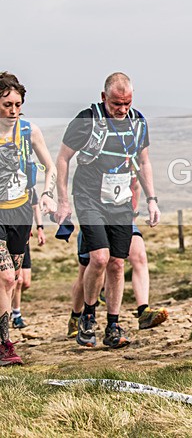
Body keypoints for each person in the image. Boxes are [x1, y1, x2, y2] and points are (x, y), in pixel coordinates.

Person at [55, 72, 160, 349]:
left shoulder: (138, 122)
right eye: (116, 104)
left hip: (121, 201)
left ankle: (113, 325)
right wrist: (63, 201)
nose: (122, 110)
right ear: (104, 98)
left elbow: (144, 161)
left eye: (127, 103)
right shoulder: (86, 120)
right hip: (89, 197)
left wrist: (151, 199)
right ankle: (87, 317)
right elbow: (63, 158)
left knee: (117, 263)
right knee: (99, 258)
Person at [0, 72, 57, 366]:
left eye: (18, 104)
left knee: (12, 282)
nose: (13, 110)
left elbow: (51, 167)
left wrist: (47, 194)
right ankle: (5, 344)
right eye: (7, 104)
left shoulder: (29, 130)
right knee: (6, 276)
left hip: (20, 211)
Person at [67, 177, 168, 337]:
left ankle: (143, 311)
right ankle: (76, 316)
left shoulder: (132, 160)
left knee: (138, 257)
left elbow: (135, 186)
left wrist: (134, 212)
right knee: (87, 271)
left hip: (122, 215)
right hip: (95, 215)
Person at [11, 189, 45, 329]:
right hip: (9, 235)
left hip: (23, 237)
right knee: (16, 281)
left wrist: (40, 228)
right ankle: (16, 315)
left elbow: (35, 206)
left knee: (25, 283)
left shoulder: (28, 186)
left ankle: (8, 302)